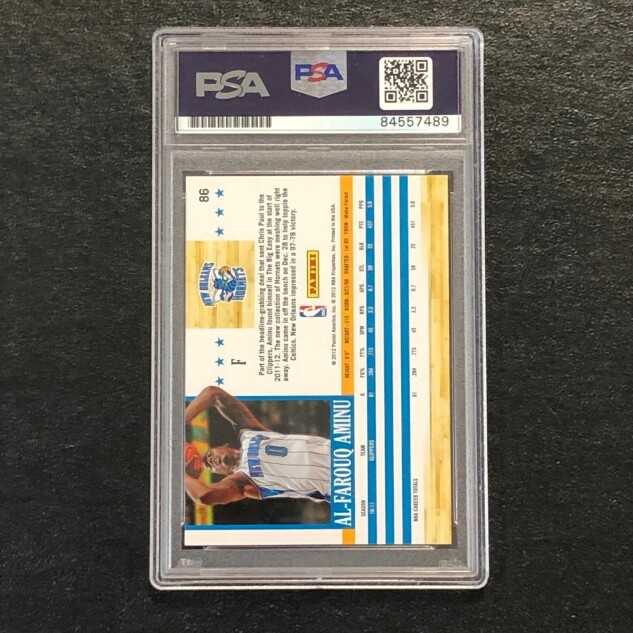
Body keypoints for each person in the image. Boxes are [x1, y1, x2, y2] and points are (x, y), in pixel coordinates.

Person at [185, 386, 331, 507]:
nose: (211, 460)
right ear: (224, 474)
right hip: (336, 485)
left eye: (210, 455)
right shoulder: (243, 483)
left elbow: (213, 393)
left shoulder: (249, 433)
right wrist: (181, 472)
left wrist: (180, 422)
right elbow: (205, 496)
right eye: (209, 466)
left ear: (225, 446)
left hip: (338, 451)